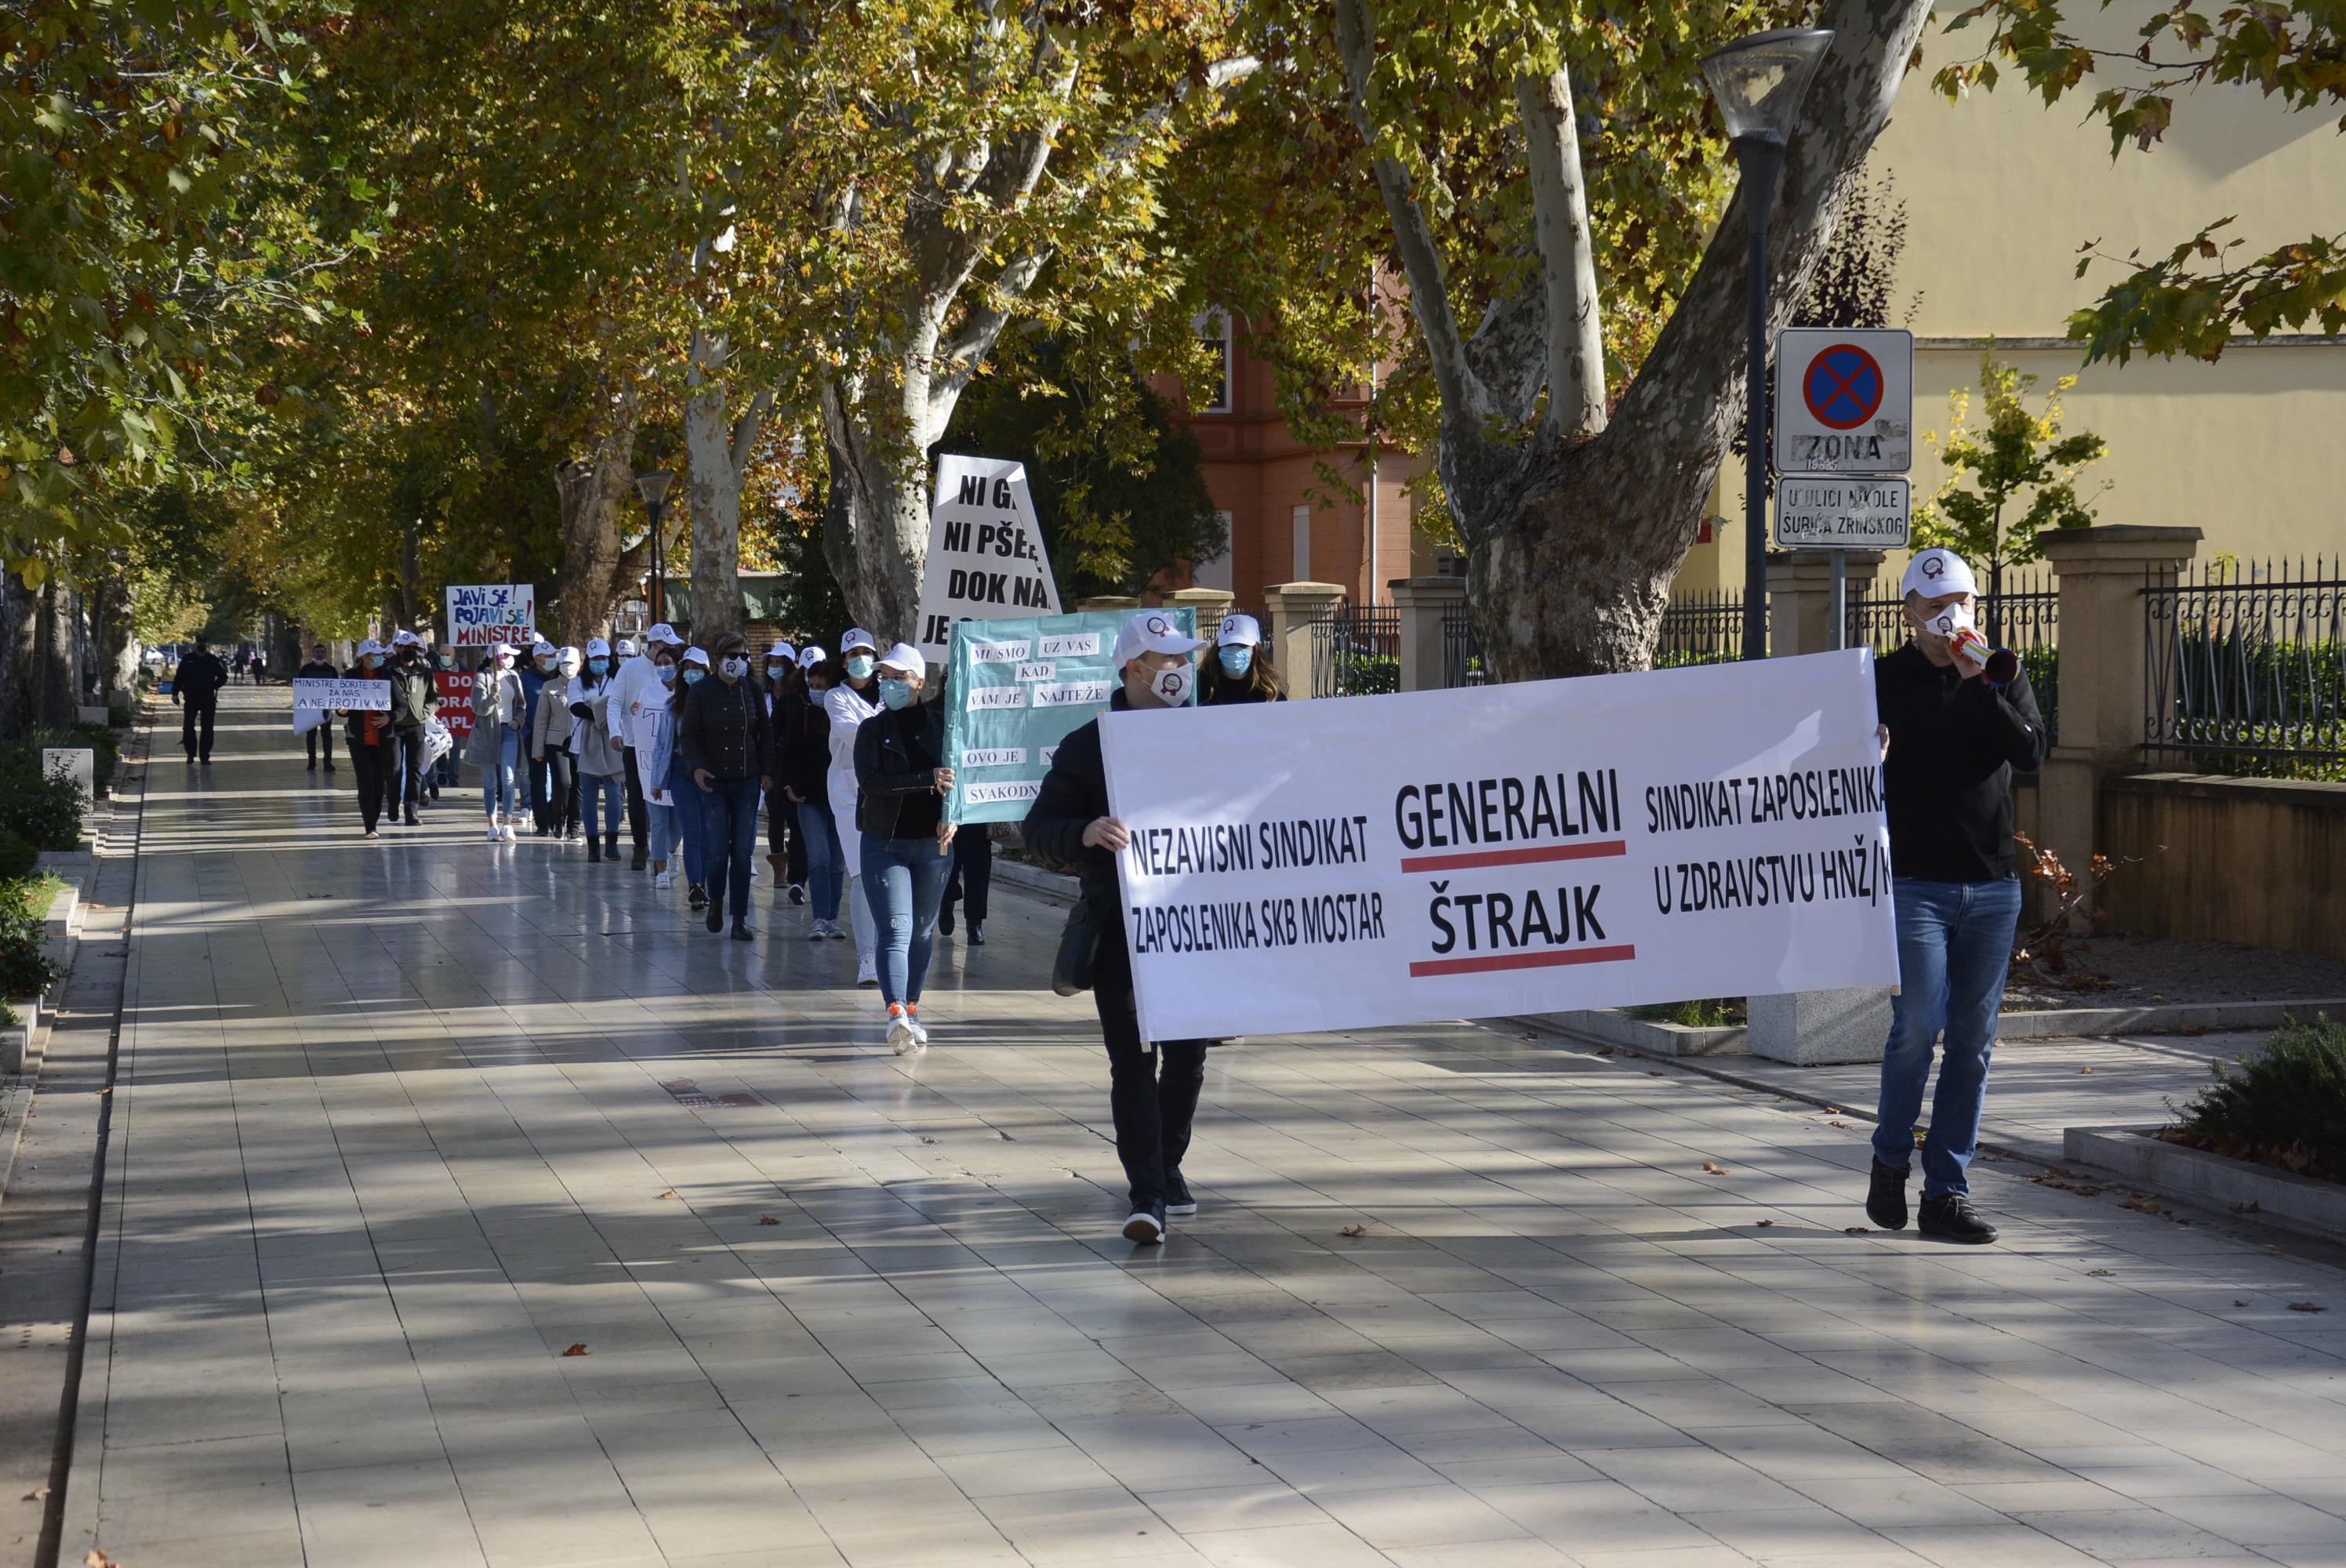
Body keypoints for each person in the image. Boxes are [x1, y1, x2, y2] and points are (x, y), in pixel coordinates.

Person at [1867, 546, 2050, 1247]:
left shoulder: (2002, 673)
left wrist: (1982, 684)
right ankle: (1890, 1160)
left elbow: (2031, 753)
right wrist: (1866, 753)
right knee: (1916, 1025)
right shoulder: (1883, 680)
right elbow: (1829, 766)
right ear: (1909, 613)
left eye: (1964, 603)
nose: (1952, 617)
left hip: (1993, 886)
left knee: (1972, 1044)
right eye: (1936, 606)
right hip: (1914, 883)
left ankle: (1946, 1193)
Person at [1023, 612, 1214, 1243]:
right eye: (1169, 661)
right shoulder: (1088, 745)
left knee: (1187, 1058)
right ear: (1134, 669)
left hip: (1196, 927)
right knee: (1133, 1061)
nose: (1182, 671)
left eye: (1186, 660)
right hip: (1121, 929)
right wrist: (1083, 832)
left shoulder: (1214, 734)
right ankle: (1147, 1196)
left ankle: (1168, 1165)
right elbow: (1039, 828)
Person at [854, 643, 957, 1054]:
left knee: (923, 931)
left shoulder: (944, 724)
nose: (889, 683)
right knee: (896, 929)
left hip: (934, 846)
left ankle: (912, 1010)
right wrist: (926, 779)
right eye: (885, 676)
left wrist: (955, 813)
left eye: (899, 677)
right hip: (885, 845)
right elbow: (871, 784)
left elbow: (963, 774)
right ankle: (895, 1012)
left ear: (920, 682)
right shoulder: (872, 730)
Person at [680, 633, 773, 941]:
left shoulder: (753, 689)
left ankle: (739, 918)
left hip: (747, 781)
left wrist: (767, 771)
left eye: (744, 657)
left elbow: (766, 734)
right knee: (718, 850)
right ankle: (716, 902)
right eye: (732, 656)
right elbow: (689, 735)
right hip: (714, 782)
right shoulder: (701, 691)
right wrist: (696, 767)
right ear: (718, 659)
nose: (738, 662)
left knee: (743, 853)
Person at [823, 629, 885, 984]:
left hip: (888, 793)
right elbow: (857, 734)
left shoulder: (889, 692)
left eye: (867, 652)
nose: (860, 659)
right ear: (844, 660)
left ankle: (889, 947)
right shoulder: (836, 697)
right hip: (850, 796)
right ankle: (867, 958)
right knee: (862, 873)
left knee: (886, 874)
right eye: (854, 654)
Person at [778, 648, 844, 938]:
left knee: (838, 864)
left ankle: (832, 917)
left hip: (841, 799)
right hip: (810, 799)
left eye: (822, 686)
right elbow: (791, 751)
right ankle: (819, 917)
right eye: (812, 685)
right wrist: (790, 785)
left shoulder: (845, 715)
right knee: (819, 858)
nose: (817, 691)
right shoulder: (801, 712)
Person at [641, 644, 707, 898]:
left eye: (697, 669)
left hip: (713, 773)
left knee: (707, 832)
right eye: (687, 669)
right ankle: (696, 886)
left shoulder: (716, 702)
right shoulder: (673, 706)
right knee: (691, 829)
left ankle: (708, 882)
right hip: (682, 771)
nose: (691, 673)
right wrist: (657, 781)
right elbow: (662, 747)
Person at [615, 624, 681, 870]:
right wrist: (621, 727)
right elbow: (617, 702)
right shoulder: (631, 670)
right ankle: (647, 852)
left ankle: (670, 849)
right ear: (654, 645)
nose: (667, 662)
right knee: (644, 800)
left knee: (674, 808)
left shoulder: (684, 681)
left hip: (674, 754)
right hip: (639, 749)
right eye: (665, 649)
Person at [568, 637, 627, 862]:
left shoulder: (618, 680)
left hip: (613, 737)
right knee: (589, 795)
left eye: (603, 658)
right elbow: (576, 707)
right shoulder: (577, 683)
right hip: (586, 740)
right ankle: (593, 844)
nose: (599, 663)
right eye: (595, 659)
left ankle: (612, 842)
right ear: (588, 661)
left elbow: (621, 704)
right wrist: (604, 711)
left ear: (609, 659)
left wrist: (603, 711)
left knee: (614, 794)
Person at [761, 641, 809, 902]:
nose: (774, 667)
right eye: (771, 662)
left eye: (779, 663)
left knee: (796, 816)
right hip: (771, 763)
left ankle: (796, 859)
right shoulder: (762, 693)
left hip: (794, 763)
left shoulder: (798, 694)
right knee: (775, 814)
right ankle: (779, 865)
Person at [469, 643, 526, 843]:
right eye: (507, 654)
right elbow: (479, 709)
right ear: (496, 657)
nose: (510, 658)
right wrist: (492, 697)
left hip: (509, 732)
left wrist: (518, 721)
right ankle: (492, 825)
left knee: (509, 780)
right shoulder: (482, 677)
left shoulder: (513, 676)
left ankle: (508, 824)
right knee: (490, 782)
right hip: (488, 733)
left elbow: (521, 705)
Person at [342, 640, 398, 838]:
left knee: (378, 782)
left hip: (383, 739)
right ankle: (370, 826)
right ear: (363, 657)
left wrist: (389, 717)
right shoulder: (350, 677)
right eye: (371, 656)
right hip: (358, 739)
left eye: (377, 656)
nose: (374, 659)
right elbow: (341, 707)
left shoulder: (389, 677)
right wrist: (341, 709)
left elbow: (402, 706)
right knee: (365, 782)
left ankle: (374, 817)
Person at [385, 631, 440, 824]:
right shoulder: (388, 669)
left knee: (415, 769)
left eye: (413, 648)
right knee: (395, 768)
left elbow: (435, 697)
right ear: (398, 648)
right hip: (394, 725)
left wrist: (424, 713)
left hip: (417, 725)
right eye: (405, 648)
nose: (409, 651)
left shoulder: (425, 668)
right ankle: (393, 804)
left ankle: (411, 810)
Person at [531, 644, 583, 842]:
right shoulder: (549, 687)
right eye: (565, 663)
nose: (568, 666)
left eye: (572, 663)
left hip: (581, 741)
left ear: (579, 665)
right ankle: (557, 821)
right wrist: (538, 749)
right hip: (556, 742)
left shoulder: (584, 685)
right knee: (564, 783)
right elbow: (541, 720)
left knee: (578, 785)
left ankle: (574, 826)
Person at [1200, 613, 1286, 706]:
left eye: (1243, 645)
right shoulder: (1199, 686)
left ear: (1256, 650)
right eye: (1229, 644)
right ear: (1218, 648)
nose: (1236, 651)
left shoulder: (1269, 693)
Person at [520, 640, 559, 833]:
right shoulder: (525, 680)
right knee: (538, 779)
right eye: (548, 656)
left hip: (558, 737)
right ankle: (542, 824)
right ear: (537, 659)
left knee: (562, 780)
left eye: (553, 655)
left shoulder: (560, 678)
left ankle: (555, 817)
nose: (552, 659)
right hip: (533, 736)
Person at [172, 633, 229, 764]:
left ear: (206, 645)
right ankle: (190, 754)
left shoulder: (212, 660)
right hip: (191, 697)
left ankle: (205, 756)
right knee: (188, 726)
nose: (201, 645)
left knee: (207, 728)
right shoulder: (187, 659)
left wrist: (213, 686)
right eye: (199, 643)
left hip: (207, 697)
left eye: (203, 643)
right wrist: (175, 693)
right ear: (196, 644)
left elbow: (223, 677)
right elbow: (179, 677)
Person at [937, 823, 990, 947]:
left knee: (978, 864)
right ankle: (946, 902)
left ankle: (975, 922)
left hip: (976, 811)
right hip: (949, 808)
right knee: (948, 857)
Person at [296, 643, 340, 773]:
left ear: (325, 653)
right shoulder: (305, 669)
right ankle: (312, 761)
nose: (320, 653)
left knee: (327, 736)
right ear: (313, 653)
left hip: (326, 708)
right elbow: (299, 687)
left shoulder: (331, 670)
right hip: (310, 708)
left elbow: (337, 687)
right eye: (318, 651)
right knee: (311, 736)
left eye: (322, 651)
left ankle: (328, 762)